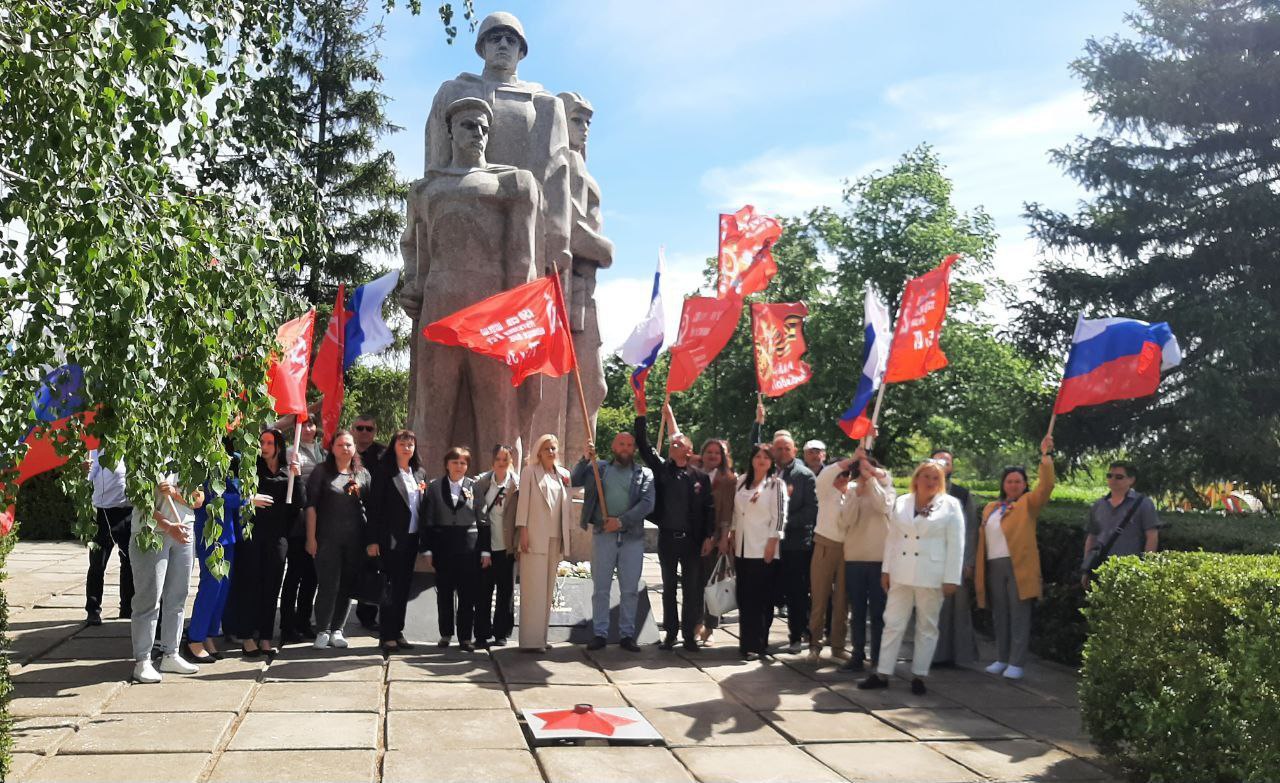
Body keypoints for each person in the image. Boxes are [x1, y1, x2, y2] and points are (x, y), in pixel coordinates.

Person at [859, 460, 964, 695]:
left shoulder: (950, 505)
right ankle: (882, 672)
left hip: (932, 573)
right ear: (916, 478)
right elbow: (893, 539)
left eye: (936, 478)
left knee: (927, 626)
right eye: (926, 476)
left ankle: (919, 675)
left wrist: (951, 577)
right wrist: (886, 569)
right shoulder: (902, 502)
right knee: (893, 624)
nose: (930, 482)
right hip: (902, 571)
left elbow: (956, 544)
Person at [633, 395, 715, 652]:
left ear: (688, 451)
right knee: (669, 589)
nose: (672, 445)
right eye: (672, 443)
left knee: (692, 590)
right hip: (668, 538)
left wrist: (709, 537)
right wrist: (641, 415)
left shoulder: (700, 476)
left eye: (677, 443)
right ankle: (670, 634)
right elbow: (644, 445)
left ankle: (690, 635)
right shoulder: (662, 469)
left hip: (692, 541)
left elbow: (709, 509)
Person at [976, 436, 1056, 680]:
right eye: (1009, 481)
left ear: (1024, 484)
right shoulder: (991, 507)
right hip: (993, 565)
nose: (1013, 485)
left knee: (1019, 613)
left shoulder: (1028, 503)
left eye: (1018, 481)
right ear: (1003, 484)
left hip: (1018, 566)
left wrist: (1046, 457)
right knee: (1000, 613)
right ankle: (1001, 658)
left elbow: (1046, 487)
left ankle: (1017, 661)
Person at [574, 431, 655, 652]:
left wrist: (620, 522)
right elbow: (574, 479)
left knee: (629, 590)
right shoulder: (598, 468)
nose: (625, 448)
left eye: (630, 444)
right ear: (613, 446)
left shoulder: (644, 474)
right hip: (603, 536)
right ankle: (600, 633)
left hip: (632, 539)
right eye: (621, 444)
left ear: (634, 449)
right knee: (601, 588)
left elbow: (647, 504)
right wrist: (584, 458)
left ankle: (627, 635)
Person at [229, 429, 303, 658]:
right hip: (252, 534)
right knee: (250, 585)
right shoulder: (250, 469)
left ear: (279, 446)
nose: (265, 446)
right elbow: (235, 496)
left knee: (272, 587)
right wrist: (250, 501)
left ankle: (265, 636)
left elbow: (299, 503)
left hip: (277, 536)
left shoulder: (286, 472)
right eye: (262, 442)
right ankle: (247, 636)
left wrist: (297, 476)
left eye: (270, 442)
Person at [130, 476, 204, 683]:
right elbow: (140, 500)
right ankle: (142, 661)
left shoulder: (187, 457)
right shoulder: (143, 456)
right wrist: (167, 525)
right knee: (149, 597)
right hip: (151, 533)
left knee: (178, 596)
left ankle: (171, 653)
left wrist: (175, 493)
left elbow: (198, 500)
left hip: (184, 531)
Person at [306, 430, 371, 650]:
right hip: (327, 539)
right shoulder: (321, 472)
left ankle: (337, 630)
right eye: (341, 444)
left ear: (354, 449)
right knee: (328, 585)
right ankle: (322, 630)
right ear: (332, 448)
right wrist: (310, 538)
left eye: (349, 445)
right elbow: (311, 507)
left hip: (355, 540)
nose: (345, 448)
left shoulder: (362, 474)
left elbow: (370, 508)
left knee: (346, 586)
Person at [366, 429, 428, 655]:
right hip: (389, 540)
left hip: (411, 539)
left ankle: (398, 631)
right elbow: (375, 508)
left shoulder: (419, 473)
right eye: (402, 443)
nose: (407, 448)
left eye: (411, 444)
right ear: (394, 446)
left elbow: (423, 507)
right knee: (389, 588)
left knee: (403, 588)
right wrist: (372, 540)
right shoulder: (384, 472)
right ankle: (386, 634)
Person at [422, 447, 487, 652]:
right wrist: (427, 549)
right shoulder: (434, 487)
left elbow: (483, 519)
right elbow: (428, 520)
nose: (459, 466)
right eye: (455, 462)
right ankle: (446, 634)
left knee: (467, 594)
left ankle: (465, 637)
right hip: (443, 546)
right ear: (447, 464)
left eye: (463, 463)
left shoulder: (474, 487)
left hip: (469, 546)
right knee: (445, 593)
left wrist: (485, 551)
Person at [514, 434, 574, 651]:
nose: (551, 452)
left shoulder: (564, 475)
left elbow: (566, 508)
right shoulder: (529, 472)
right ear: (539, 451)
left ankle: (542, 638)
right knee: (533, 589)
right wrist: (523, 532)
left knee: (548, 590)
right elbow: (523, 505)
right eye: (547, 448)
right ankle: (530, 641)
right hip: (534, 537)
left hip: (555, 537)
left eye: (554, 448)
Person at [728, 443, 787, 661]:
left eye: (766, 457)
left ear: (771, 461)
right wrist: (732, 533)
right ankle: (746, 642)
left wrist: (773, 542)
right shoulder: (742, 481)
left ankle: (759, 643)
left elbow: (779, 517)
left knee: (761, 599)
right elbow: (736, 512)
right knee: (745, 597)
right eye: (758, 456)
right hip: (743, 547)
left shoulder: (776, 484)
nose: (761, 460)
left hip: (763, 548)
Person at [185, 440, 242, 661]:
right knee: (211, 586)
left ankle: (208, 634)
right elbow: (210, 497)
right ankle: (194, 638)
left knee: (222, 589)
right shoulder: (200, 466)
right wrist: (246, 500)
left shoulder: (226, 466)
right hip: (211, 535)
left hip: (227, 534)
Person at [841, 451, 895, 673]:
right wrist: (856, 494)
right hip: (854, 558)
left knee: (879, 611)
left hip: (879, 559)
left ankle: (878, 655)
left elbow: (883, 507)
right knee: (858, 611)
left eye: (868, 469)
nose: (864, 474)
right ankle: (857, 653)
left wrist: (872, 481)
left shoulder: (887, 490)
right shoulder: (851, 490)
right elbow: (847, 519)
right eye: (861, 470)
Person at [806, 451, 858, 664]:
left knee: (842, 601)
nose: (842, 478)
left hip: (847, 549)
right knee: (819, 597)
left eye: (847, 474)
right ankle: (814, 645)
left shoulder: (854, 493)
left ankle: (837, 646)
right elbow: (826, 475)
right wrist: (851, 459)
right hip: (825, 546)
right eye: (839, 473)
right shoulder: (825, 490)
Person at [930, 449, 980, 667]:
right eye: (939, 460)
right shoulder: (924, 491)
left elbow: (971, 529)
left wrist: (969, 560)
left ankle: (961, 657)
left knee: (959, 609)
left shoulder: (961, 494)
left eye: (947, 461)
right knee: (934, 609)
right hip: (930, 558)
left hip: (956, 559)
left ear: (952, 467)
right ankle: (935, 655)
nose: (943, 464)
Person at [281, 417, 324, 643]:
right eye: (304, 425)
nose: (308, 429)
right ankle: (287, 625)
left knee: (312, 577)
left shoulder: (322, 452)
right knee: (294, 574)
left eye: (311, 424)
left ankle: (304, 621)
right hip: (297, 521)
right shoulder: (291, 451)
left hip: (318, 520)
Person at [1082, 460, 1162, 581]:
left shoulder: (1144, 504)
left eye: (1119, 477)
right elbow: (1092, 537)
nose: (1113, 480)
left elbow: (1152, 536)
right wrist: (1086, 569)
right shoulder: (1098, 505)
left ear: (1131, 480)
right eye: (1109, 476)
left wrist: (1147, 568)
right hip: (1100, 569)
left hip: (1130, 570)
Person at [474, 445, 519, 647]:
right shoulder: (482, 482)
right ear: (492, 461)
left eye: (505, 459)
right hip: (486, 545)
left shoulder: (517, 485)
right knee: (483, 591)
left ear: (511, 461)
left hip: (507, 546)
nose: (502, 463)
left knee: (505, 591)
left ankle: (501, 632)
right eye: (498, 459)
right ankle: (482, 633)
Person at [85, 447, 133, 625]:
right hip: (104, 511)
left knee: (129, 562)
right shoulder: (97, 448)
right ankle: (93, 609)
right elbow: (88, 476)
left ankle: (127, 608)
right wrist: (86, 469)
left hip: (128, 511)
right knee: (98, 563)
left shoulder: (134, 444)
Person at [699, 438, 737, 646]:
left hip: (715, 538)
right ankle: (695, 624)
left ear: (723, 457)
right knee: (693, 584)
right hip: (693, 536)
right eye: (709, 452)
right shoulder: (693, 473)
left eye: (717, 453)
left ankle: (710, 627)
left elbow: (727, 511)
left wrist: (723, 538)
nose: (713, 456)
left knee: (711, 584)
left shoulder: (728, 479)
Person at [352, 414, 384, 634]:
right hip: (345, 519)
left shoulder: (383, 454)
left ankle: (368, 616)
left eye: (369, 429)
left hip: (373, 519)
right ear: (353, 429)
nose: (364, 432)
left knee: (371, 570)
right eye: (360, 428)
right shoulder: (344, 449)